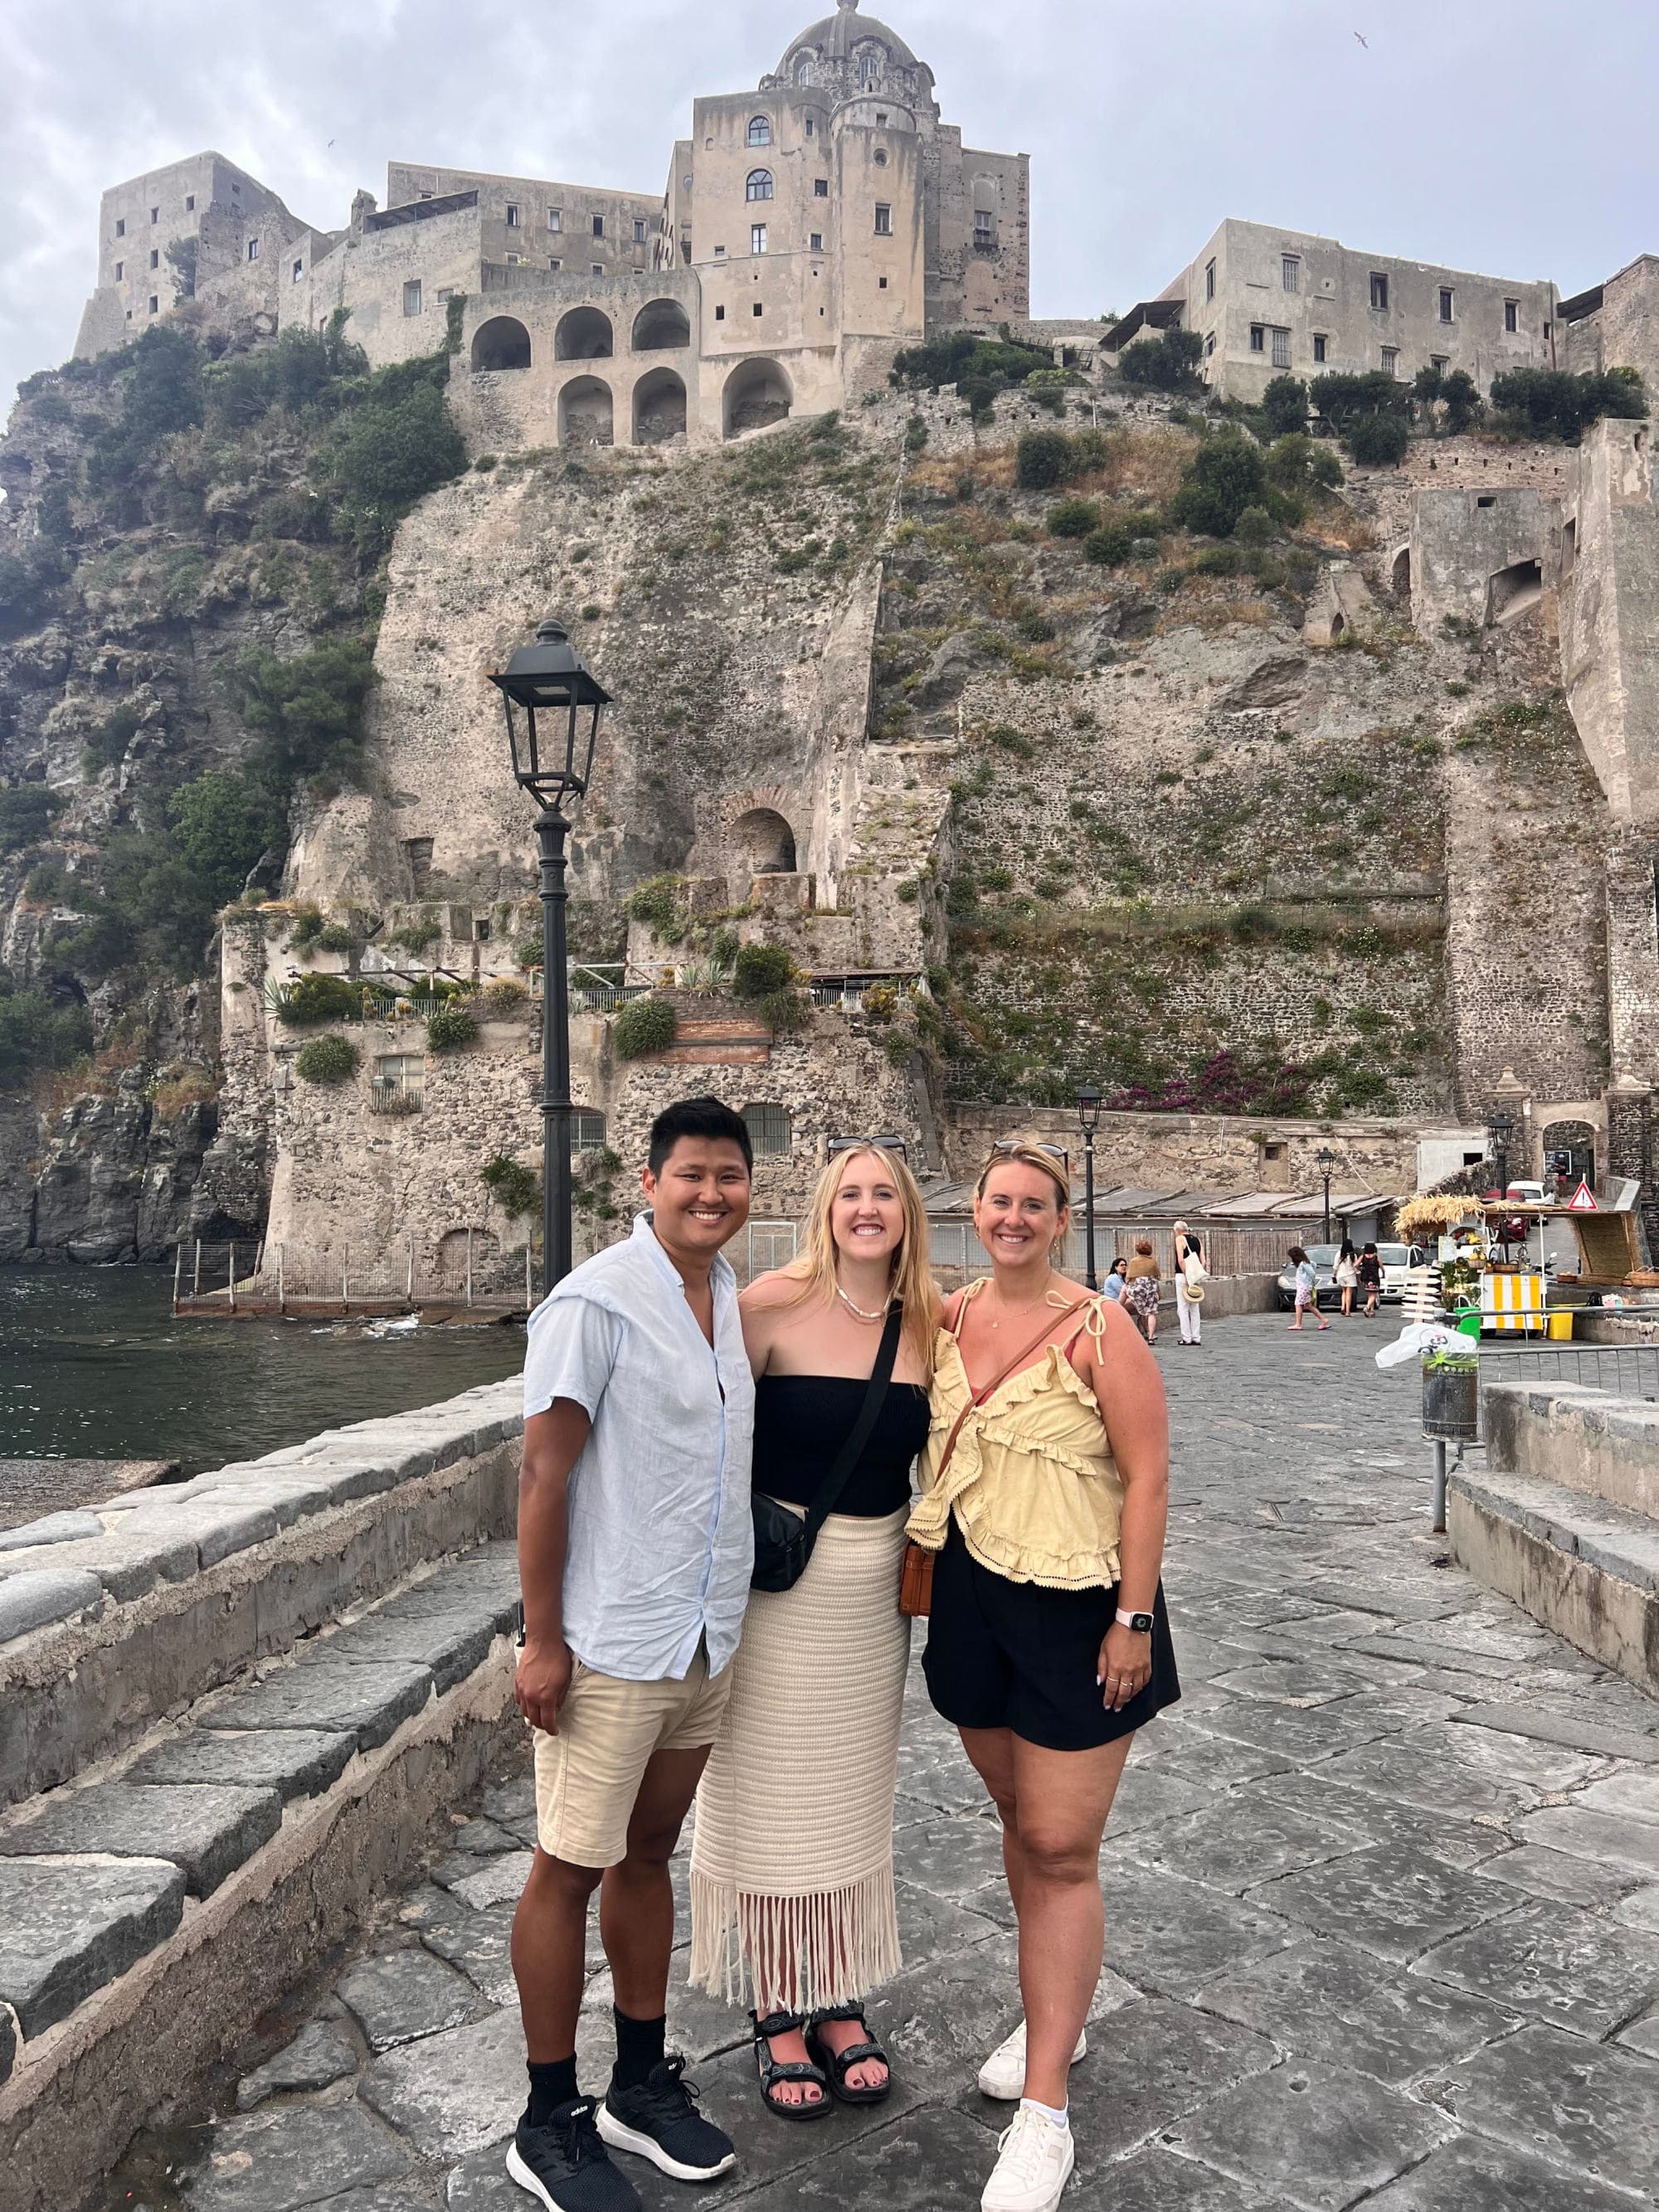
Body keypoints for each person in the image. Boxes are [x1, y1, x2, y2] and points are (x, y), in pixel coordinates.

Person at [907, 1141, 1178, 2212]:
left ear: (1062, 1219)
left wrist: (1136, 1617)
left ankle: (1047, 2110)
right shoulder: (951, 1318)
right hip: (973, 1595)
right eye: (999, 1201)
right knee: (1021, 1821)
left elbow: (1150, 1472)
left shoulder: (1102, 1325)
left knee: (1063, 1843)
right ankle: (1050, 2005)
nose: (1014, 1217)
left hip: (1081, 1607)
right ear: (974, 1211)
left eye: (1034, 1204)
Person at [508, 1096, 757, 2212]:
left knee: (648, 1850)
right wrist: (544, 1637)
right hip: (611, 1638)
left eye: (731, 1176)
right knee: (567, 1862)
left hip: (703, 1631)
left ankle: (638, 2081)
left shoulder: (728, 1299)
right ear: (648, 1183)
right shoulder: (594, 1301)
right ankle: (548, 2114)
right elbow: (543, 1474)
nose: (712, 1193)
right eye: (692, 1174)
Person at [690, 1139, 935, 2120]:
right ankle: (776, 2003)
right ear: (823, 1209)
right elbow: (697, 1438)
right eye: (849, 1194)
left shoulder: (930, 1323)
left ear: (905, 1212)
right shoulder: (766, 1307)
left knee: (844, 1795)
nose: (866, 1208)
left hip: (872, 1596)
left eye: (883, 1194)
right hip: (770, 1587)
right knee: (761, 1793)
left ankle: (836, 1990)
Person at [1122, 1237, 1161, 1344]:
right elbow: (1158, 1277)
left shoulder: (1133, 1261)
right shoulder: (1153, 1262)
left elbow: (1128, 1278)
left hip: (1138, 1290)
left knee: (1124, 1289)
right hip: (1151, 1289)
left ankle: (1118, 1306)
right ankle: (1151, 1337)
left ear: (1138, 1250)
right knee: (1151, 1313)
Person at [1171, 1220, 1204, 1347]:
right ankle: (1196, 1337)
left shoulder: (1180, 1239)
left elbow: (1180, 1259)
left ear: (1177, 1230)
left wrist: (1186, 1275)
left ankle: (1187, 1338)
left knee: (1183, 1308)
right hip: (1195, 1276)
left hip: (1183, 1275)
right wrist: (1195, 1276)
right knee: (1194, 1307)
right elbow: (1203, 1260)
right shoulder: (1197, 1240)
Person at [1287, 1244, 1329, 1333]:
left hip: (1304, 1286)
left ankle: (1298, 1324)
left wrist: (1312, 1282)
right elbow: (1313, 1265)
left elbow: (1312, 1273)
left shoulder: (1303, 1264)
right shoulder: (1305, 1263)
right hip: (1305, 1286)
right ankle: (1323, 1320)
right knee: (1308, 1305)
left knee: (1298, 1304)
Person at [1335, 1237, 1359, 1319]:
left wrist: (1334, 1275)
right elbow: (1356, 1267)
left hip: (1341, 1275)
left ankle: (1342, 1307)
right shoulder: (1353, 1255)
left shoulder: (1339, 1254)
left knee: (1344, 1292)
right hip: (1350, 1276)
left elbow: (1335, 1266)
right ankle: (1348, 1311)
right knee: (1349, 1293)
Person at [1357, 1242, 1383, 1318]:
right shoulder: (1376, 1257)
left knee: (1370, 1294)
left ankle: (1371, 1311)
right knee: (1374, 1294)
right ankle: (1367, 1307)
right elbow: (1381, 1266)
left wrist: (1361, 1269)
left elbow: (1355, 1265)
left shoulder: (1363, 1257)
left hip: (1366, 1277)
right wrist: (1383, 1273)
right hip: (1374, 1277)